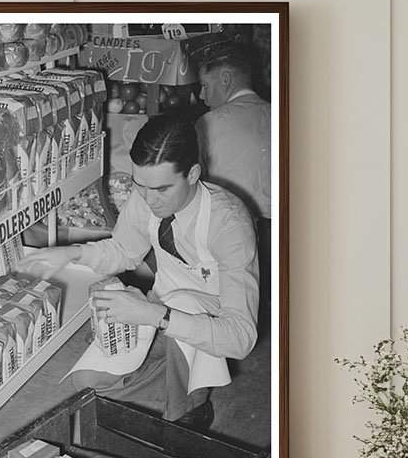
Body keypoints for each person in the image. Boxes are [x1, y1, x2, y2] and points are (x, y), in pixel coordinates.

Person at [17, 115, 259, 429]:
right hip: (159, 310)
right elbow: (123, 251)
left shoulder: (229, 224)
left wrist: (154, 315)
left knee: (184, 303)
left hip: (205, 325)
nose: (149, 199)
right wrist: (73, 253)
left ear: (193, 174)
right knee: (87, 383)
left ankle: (189, 410)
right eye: (140, 186)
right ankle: (175, 385)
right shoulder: (147, 194)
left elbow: (241, 337)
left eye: (161, 189)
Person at [194, 39, 272, 331]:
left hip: (237, 234)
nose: (202, 95)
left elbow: (197, 185)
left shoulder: (209, 123)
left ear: (225, 80)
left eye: (205, 85)